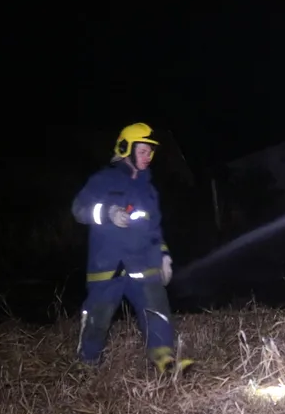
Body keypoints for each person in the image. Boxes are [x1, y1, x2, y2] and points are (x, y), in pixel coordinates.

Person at [70, 122, 193, 374]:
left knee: (157, 309)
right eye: (143, 150)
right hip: (107, 267)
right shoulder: (103, 180)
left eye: (150, 151)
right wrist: (107, 212)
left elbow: (155, 228)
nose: (148, 156)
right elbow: (79, 209)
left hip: (143, 263)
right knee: (97, 319)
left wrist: (164, 256)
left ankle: (164, 360)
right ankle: (87, 365)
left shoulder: (148, 190)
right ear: (126, 148)